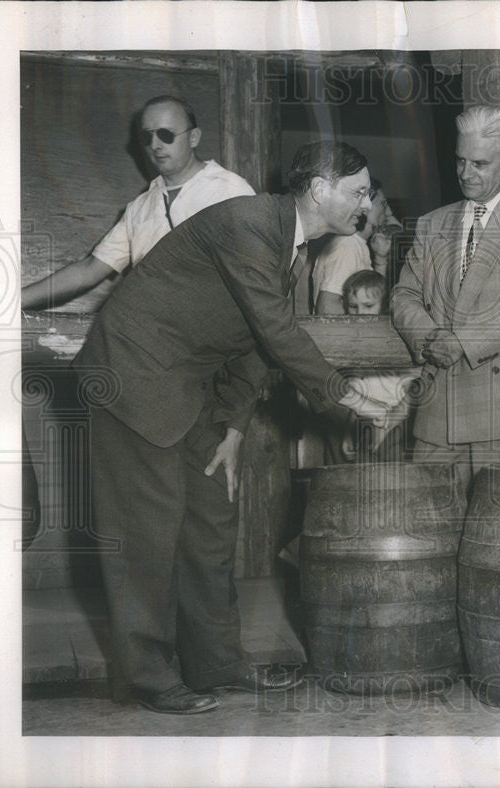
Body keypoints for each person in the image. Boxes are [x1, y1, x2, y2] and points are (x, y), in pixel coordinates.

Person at [74, 141, 393, 715]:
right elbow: (275, 329)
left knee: (210, 521)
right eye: (358, 191)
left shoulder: (290, 245)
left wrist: (235, 428)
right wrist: (346, 395)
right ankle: (147, 675)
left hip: (186, 387)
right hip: (131, 375)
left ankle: (216, 661)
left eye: (367, 194)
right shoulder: (250, 223)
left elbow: (253, 346)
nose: (366, 205)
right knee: (148, 531)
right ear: (319, 189)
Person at [392, 104, 500, 493]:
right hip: (438, 414)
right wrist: (429, 338)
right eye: (460, 161)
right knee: (428, 534)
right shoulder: (431, 223)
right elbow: (404, 294)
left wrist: (463, 343)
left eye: (480, 164)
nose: (465, 174)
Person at [21, 95, 254, 309]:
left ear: (194, 137)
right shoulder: (140, 207)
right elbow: (90, 270)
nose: (155, 145)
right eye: (147, 136)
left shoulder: (229, 191)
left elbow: (252, 274)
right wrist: (13, 303)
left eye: (166, 135)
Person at [340, 269, 415, 462]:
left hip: (396, 421)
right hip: (363, 421)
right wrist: (348, 431)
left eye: (368, 306)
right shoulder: (351, 345)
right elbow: (353, 392)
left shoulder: (393, 342)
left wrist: (387, 427)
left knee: (392, 482)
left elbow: (412, 393)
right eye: (353, 307)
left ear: (383, 307)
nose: (360, 314)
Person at [312, 179, 401, 315]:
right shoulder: (347, 245)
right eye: (383, 204)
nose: (388, 212)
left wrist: (380, 258)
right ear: (365, 207)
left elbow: (374, 295)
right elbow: (326, 307)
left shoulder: (358, 243)